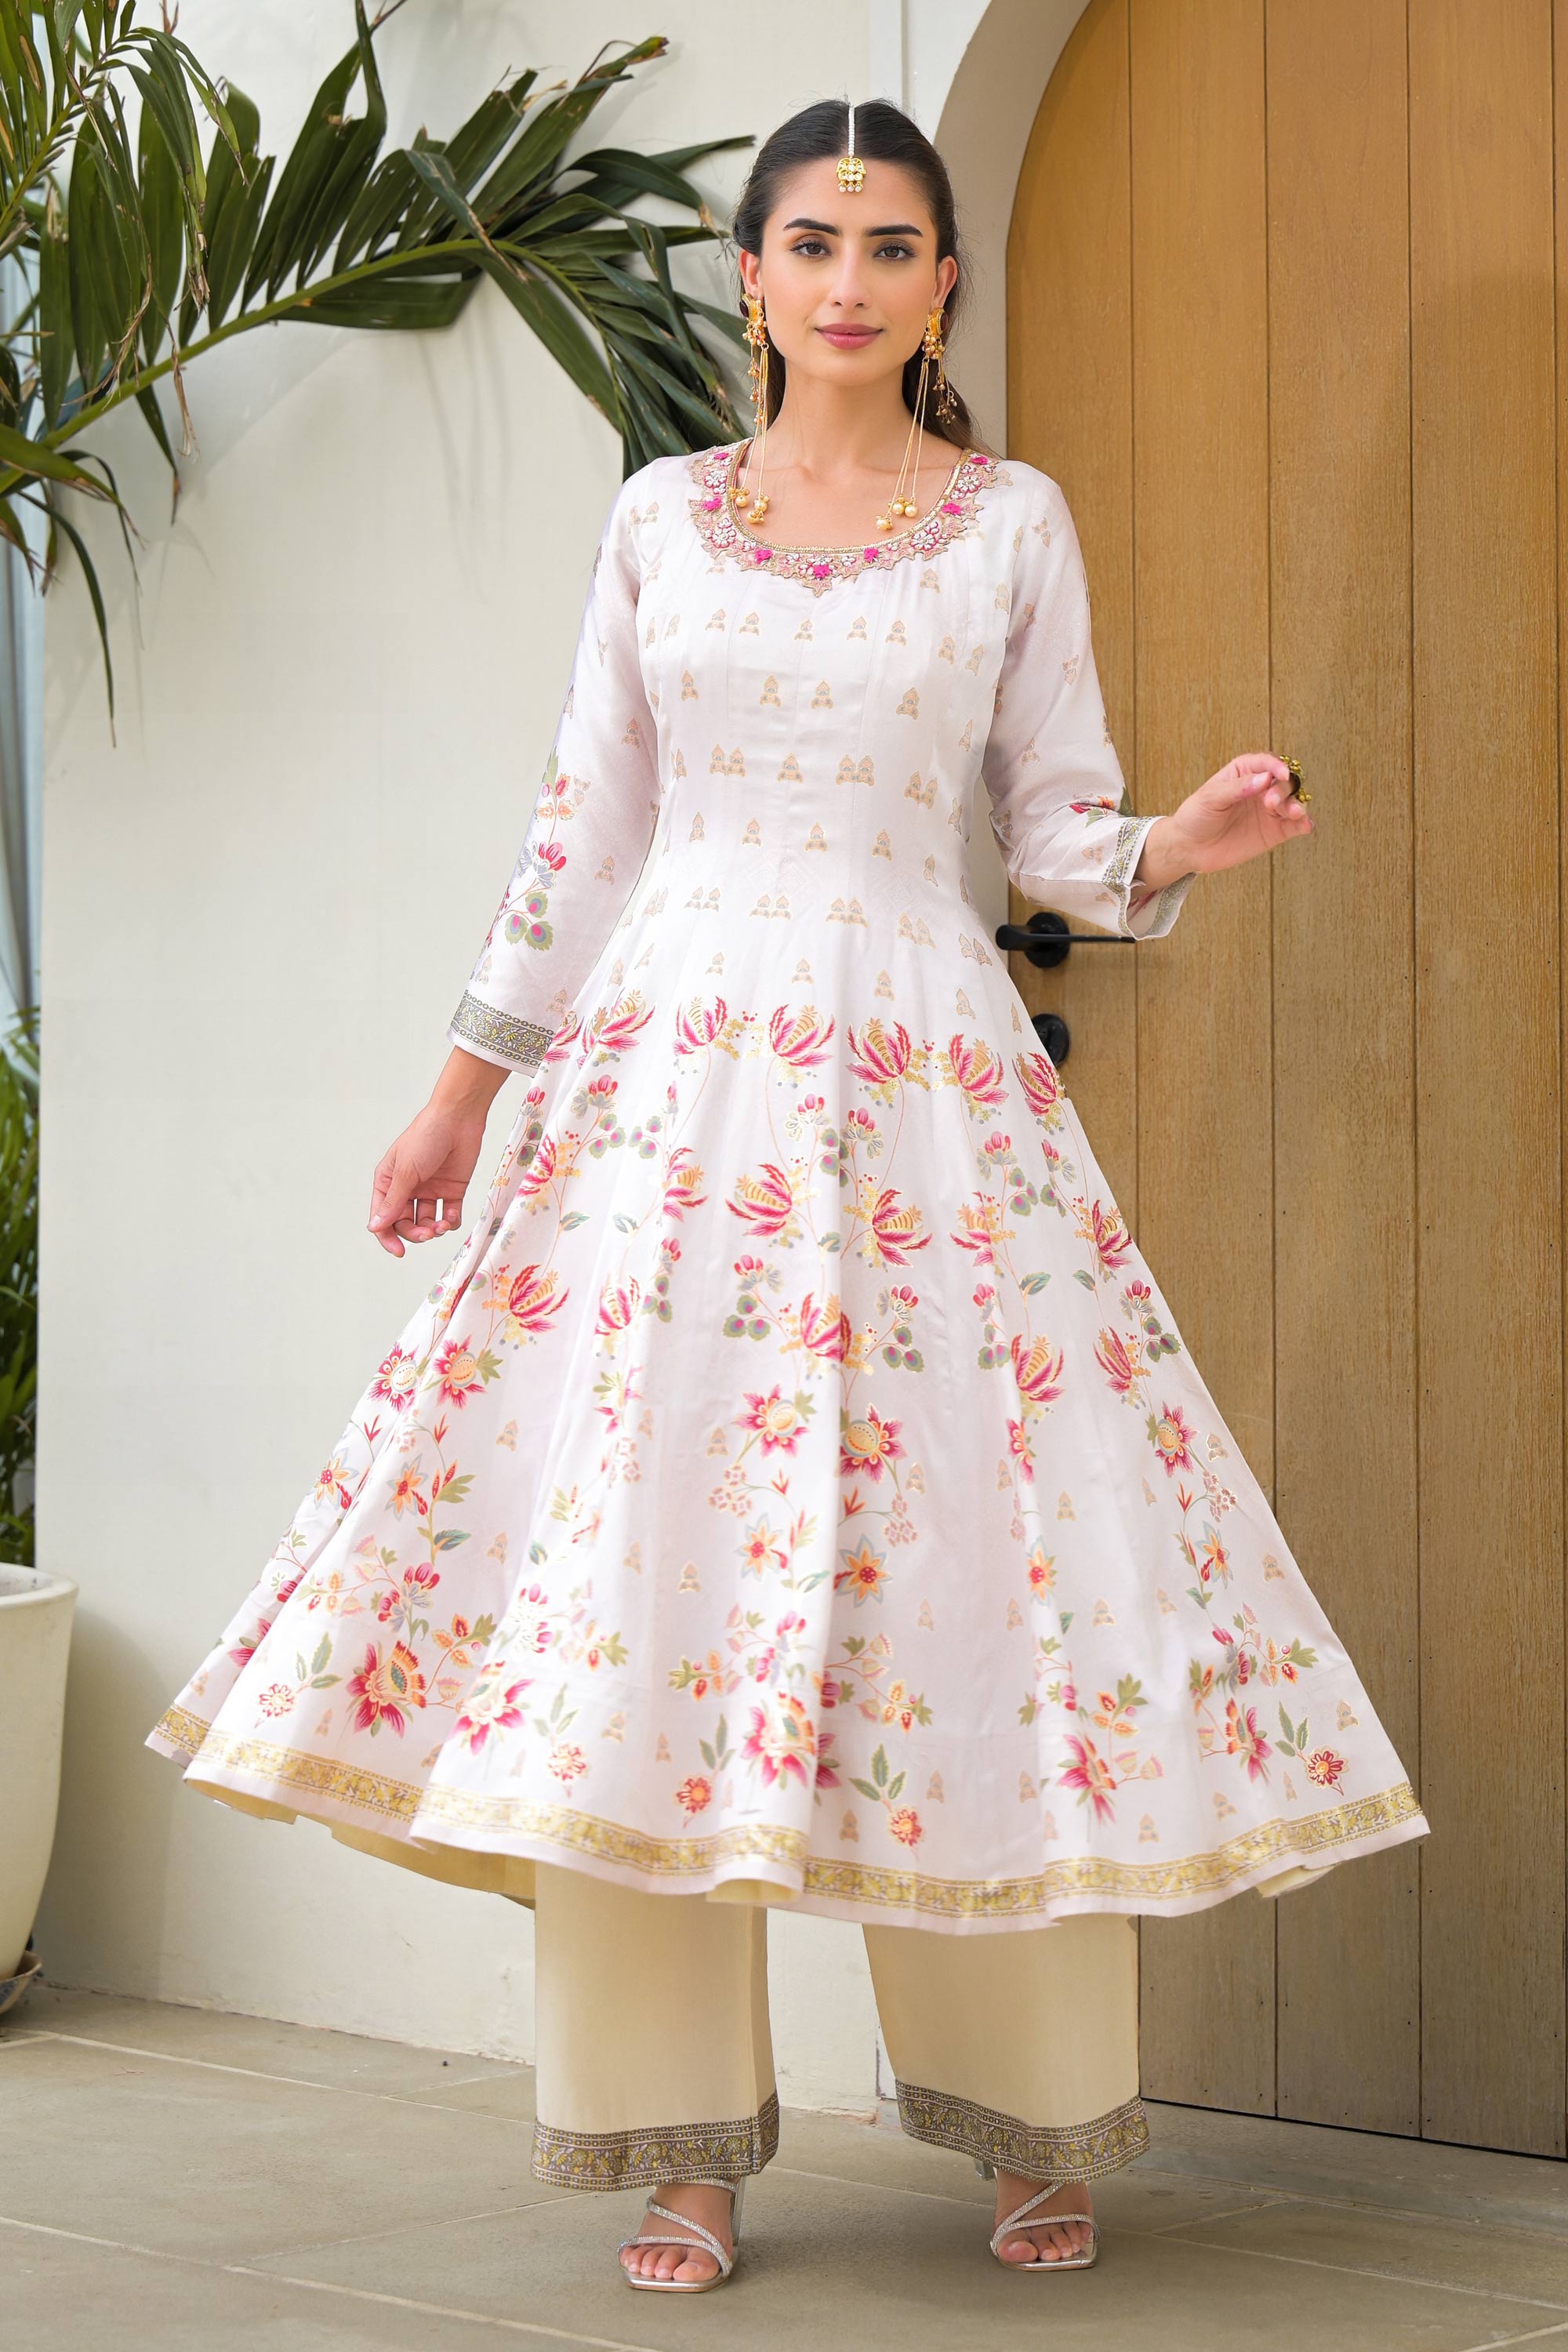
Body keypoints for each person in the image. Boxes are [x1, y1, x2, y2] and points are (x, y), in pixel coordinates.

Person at [146, 96, 1431, 2292]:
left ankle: (1033, 2120)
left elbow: (1056, 827)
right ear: (751, 276)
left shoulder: (1011, 524)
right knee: (643, 1576)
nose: (849, 279)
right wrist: (458, 1097)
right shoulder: (661, 519)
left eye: (892, 245)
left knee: (985, 1576)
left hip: (923, 1088)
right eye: (812, 243)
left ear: (943, 285)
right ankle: (674, 2142)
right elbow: (585, 834)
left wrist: (1176, 850)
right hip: (667, 1097)